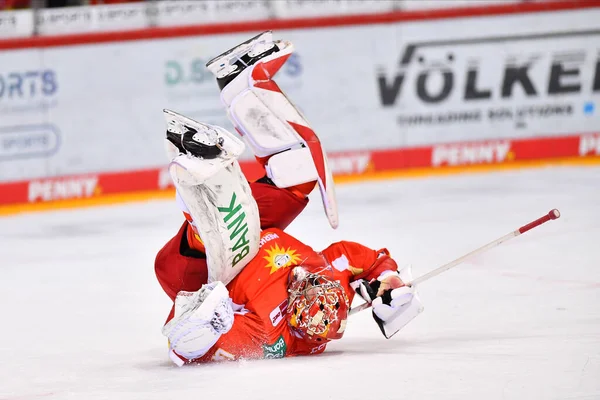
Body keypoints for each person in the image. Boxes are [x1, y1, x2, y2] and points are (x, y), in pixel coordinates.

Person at [155, 32, 423, 365]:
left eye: (304, 291)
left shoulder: (266, 335)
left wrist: (206, 322)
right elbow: (366, 260)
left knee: (229, 233)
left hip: (195, 269)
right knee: (299, 176)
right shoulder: (329, 275)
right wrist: (389, 282)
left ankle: (199, 175)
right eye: (317, 283)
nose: (303, 278)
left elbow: (182, 346)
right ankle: (241, 87)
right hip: (252, 232)